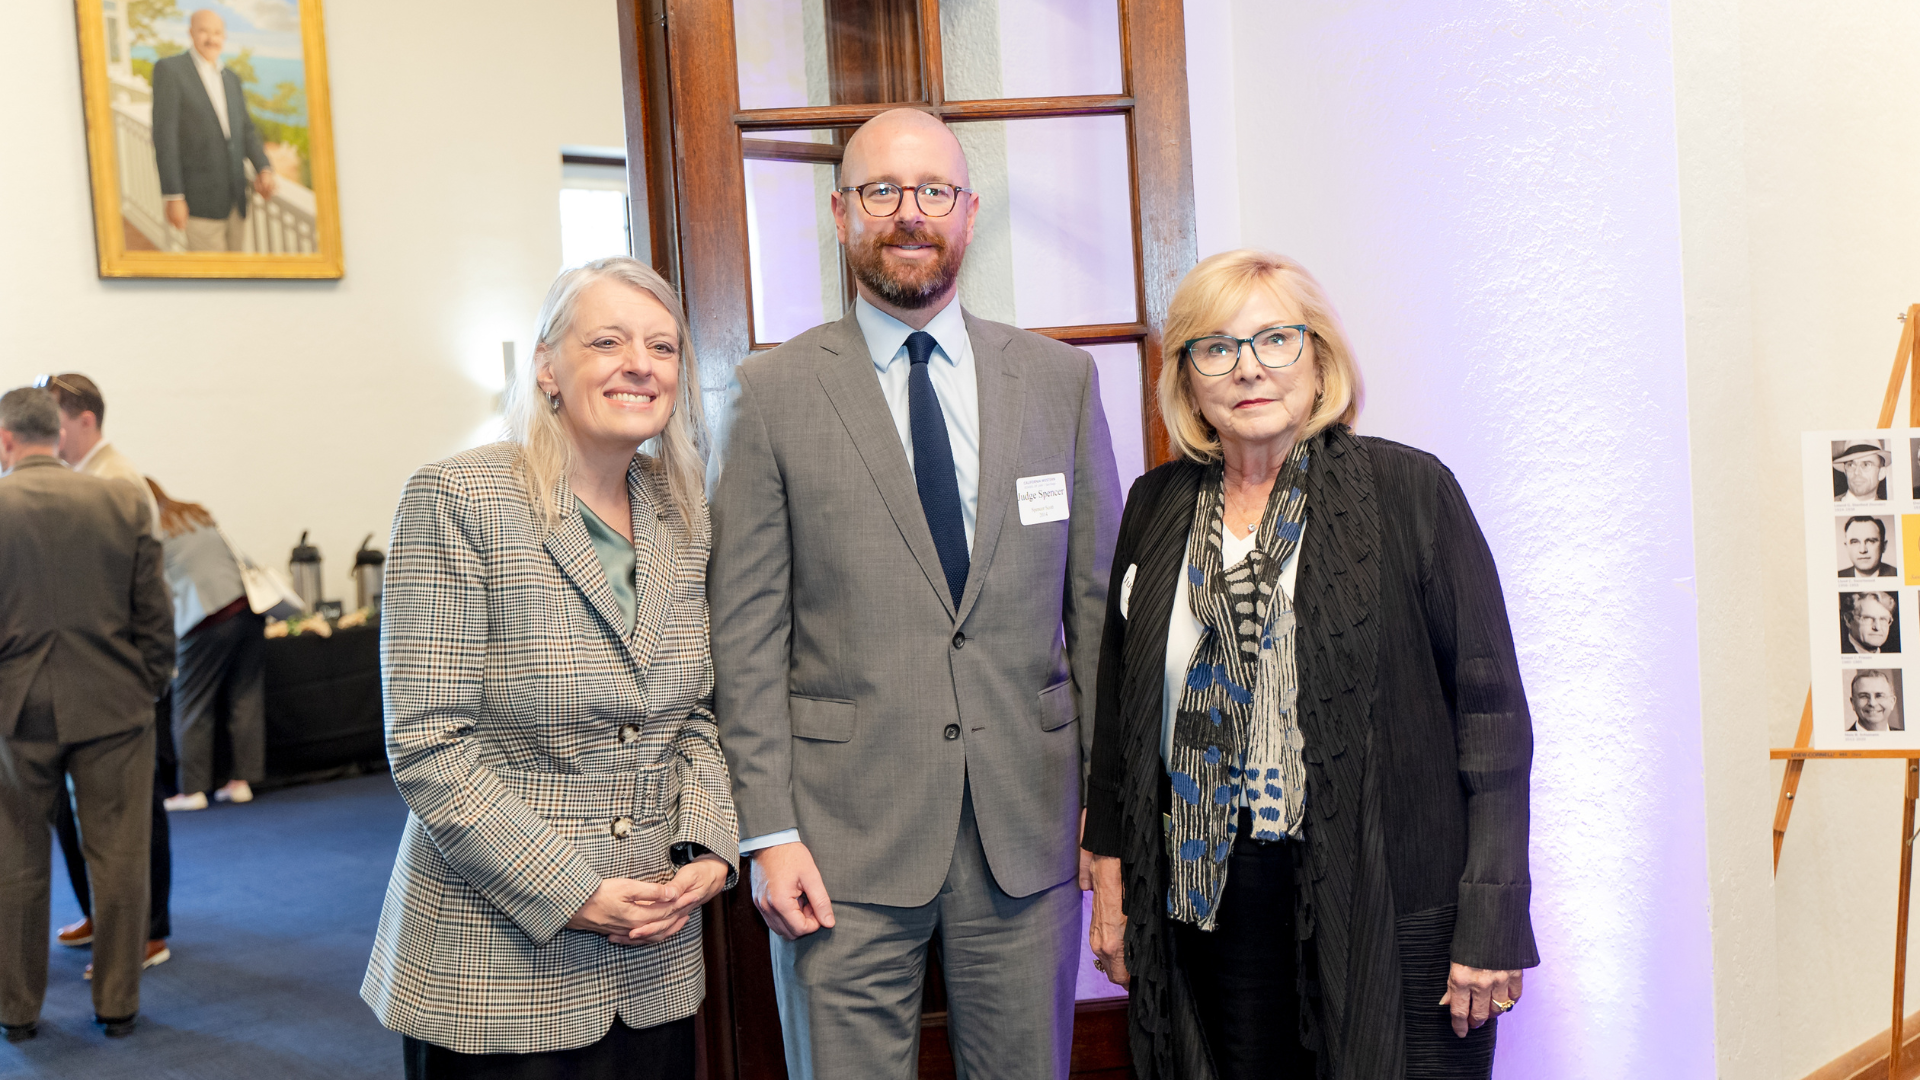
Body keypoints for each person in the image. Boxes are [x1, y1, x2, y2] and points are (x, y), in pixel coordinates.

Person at [708, 108, 1122, 1079]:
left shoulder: (1060, 381)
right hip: (837, 841)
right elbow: (747, 634)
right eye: (881, 192)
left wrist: (1107, 819)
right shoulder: (772, 394)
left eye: (933, 191)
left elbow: (1098, 613)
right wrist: (767, 832)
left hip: (1027, 829)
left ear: (969, 213)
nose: (909, 214)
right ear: (841, 213)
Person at [1081, 250, 1539, 1080]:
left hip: (1388, 900)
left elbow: (1494, 722)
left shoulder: (1409, 493)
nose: (1249, 368)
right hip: (1203, 906)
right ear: (1187, 381)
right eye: (1216, 348)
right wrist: (1110, 875)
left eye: (1276, 340)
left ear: (1320, 358)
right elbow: (1121, 710)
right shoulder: (1155, 507)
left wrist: (1493, 917)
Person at [361, 258, 736, 1080]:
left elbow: (697, 714)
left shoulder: (684, 513)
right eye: (607, 341)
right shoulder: (458, 498)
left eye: (663, 347)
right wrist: (573, 892)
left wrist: (708, 848)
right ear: (546, 367)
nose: (641, 363)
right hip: (494, 967)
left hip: (654, 960)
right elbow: (429, 748)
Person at [0, 388, 174, 1042]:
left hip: (17, 709)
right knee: (120, 855)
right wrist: (148, 684)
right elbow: (154, 612)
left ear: (6, 439)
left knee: (14, 860)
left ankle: (16, 1012)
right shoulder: (122, 498)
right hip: (115, 702)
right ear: (57, 434)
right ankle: (118, 1006)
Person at [144, 479, 265, 811]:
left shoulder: (152, 530)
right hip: (247, 609)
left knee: (191, 704)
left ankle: (192, 790)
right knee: (245, 696)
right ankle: (241, 783)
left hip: (205, 619)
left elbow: (156, 593)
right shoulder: (195, 514)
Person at [149, 9, 276, 252]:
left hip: (236, 201)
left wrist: (264, 167)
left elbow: (246, 129)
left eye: (217, 32)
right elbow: (165, 138)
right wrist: (173, 196)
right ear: (191, 33)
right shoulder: (170, 70)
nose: (211, 39)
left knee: (236, 277)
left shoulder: (232, 78)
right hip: (198, 203)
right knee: (211, 281)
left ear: (224, 37)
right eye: (204, 31)